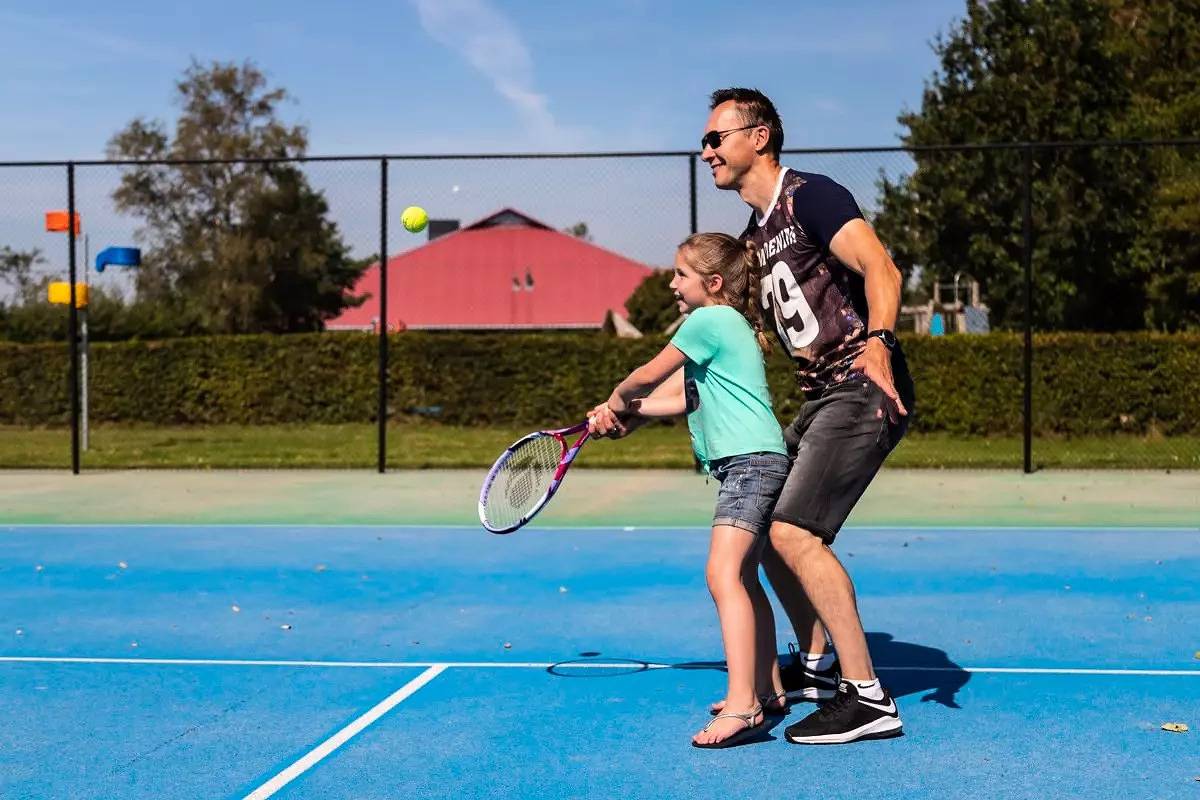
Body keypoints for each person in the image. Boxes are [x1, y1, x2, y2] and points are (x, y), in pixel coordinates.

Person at [698, 87, 917, 745]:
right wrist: (638, 404)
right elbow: (721, 343)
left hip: (861, 383)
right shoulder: (752, 239)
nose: (706, 149)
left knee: (794, 532)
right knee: (762, 528)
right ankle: (817, 665)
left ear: (757, 136)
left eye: (716, 137)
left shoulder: (810, 196)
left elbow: (882, 268)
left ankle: (869, 698)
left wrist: (879, 342)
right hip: (822, 393)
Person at [589, 233, 790, 749]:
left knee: (722, 574)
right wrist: (625, 415)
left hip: (750, 463)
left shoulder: (707, 321)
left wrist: (616, 399)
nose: (672, 282)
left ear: (713, 282)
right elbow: (679, 395)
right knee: (744, 577)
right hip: (757, 460)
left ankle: (744, 705)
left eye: (680, 274)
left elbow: (647, 375)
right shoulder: (727, 326)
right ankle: (766, 691)